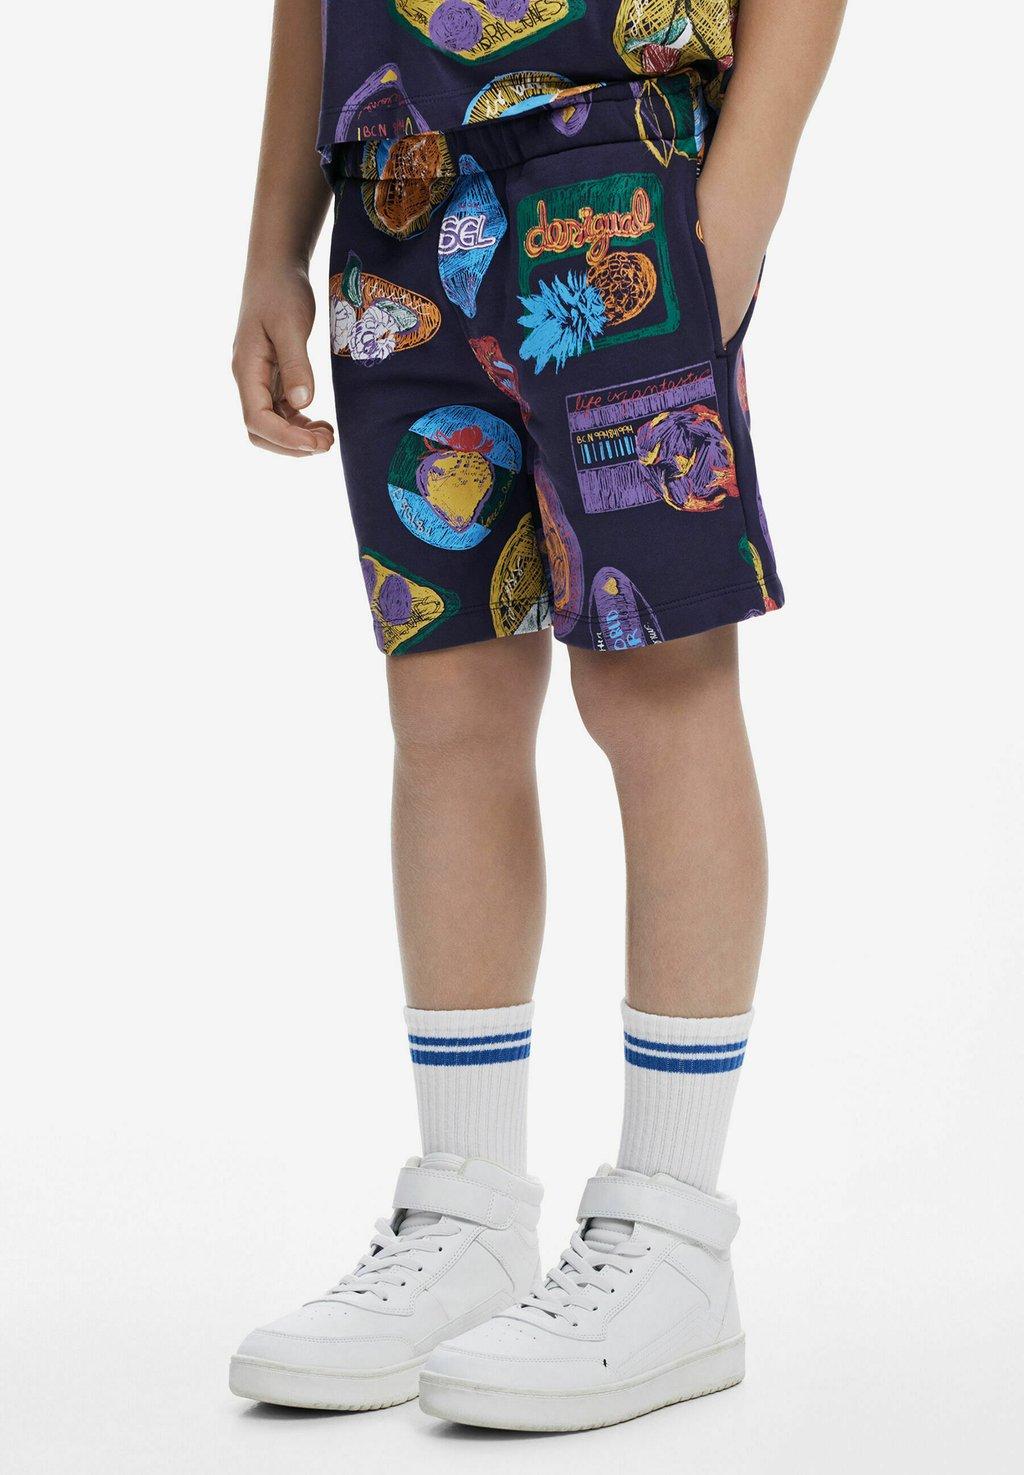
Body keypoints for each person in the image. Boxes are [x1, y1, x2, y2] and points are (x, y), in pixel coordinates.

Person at [228, 0, 845, 1432]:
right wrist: (273, 241)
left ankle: (672, 1233)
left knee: (656, 681)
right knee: (445, 698)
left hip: (613, 167)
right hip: (390, 191)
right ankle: (468, 1211)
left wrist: (735, 208)